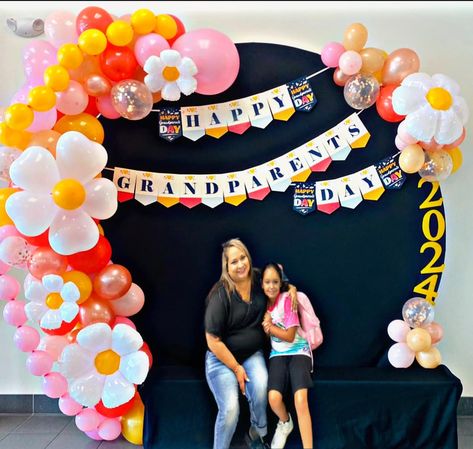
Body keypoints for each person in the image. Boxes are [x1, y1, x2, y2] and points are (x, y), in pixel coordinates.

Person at [204, 238, 296, 449]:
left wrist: (290, 287)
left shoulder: (258, 277)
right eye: (234, 261)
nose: (240, 264)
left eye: (243, 257)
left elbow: (280, 280)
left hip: (251, 354)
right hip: (221, 359)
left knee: (262, 386)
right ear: (226, 267)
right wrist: (236, 368)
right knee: (230, 410)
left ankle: (256, 434)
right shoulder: (220, 294)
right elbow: (212, 341)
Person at [261, 262, 314, 449]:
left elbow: (291, 337)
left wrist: (270, 327)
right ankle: (285, 422)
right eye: (267, 282)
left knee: (300, 400)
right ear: (261, 284)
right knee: (274, 398)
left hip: (299, 351)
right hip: (277, 355)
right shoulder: (262, 302)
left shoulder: (287, 300)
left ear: (281, 282)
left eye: (275, 282)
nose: (271, 286)